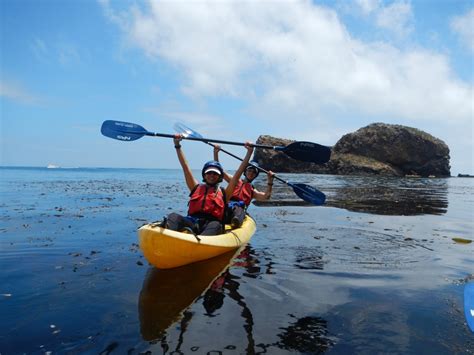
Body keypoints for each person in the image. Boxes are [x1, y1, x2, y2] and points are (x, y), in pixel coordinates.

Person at [162, 134, 254, 236]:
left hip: (212, 224)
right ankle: (168, 236)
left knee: (215, 225)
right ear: (204, 175)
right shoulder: (195, 187)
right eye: (209, 173)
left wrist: (249, 152)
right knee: (173, 216)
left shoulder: (224, 193)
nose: (211, 175)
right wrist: (177, 145)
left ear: (220, 177)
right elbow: (185, 167)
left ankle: (200, 243)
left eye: (215, 174)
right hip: (192, 221)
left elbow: (238, 173)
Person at [214, 145, 275, 228]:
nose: (251, 173)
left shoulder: (252, 190)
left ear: (255, 175)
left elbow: (266, 196)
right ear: (245, 172)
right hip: (227, 206)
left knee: (239, 210)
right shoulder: (234, 180)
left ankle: (236, 222)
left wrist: (270, 181)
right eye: (249, 170)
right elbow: (220, 171)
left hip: (239, 210)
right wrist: (216, 153)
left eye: (254, 172)